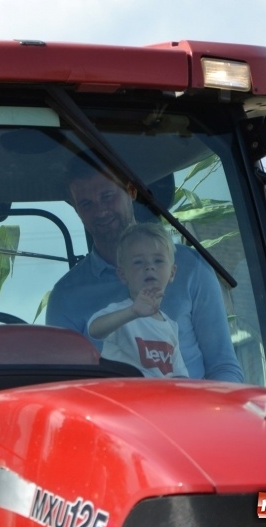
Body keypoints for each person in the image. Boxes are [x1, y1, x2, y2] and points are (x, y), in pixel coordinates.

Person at [46, 154, 243, 382]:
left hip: (186, 411)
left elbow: (223, 365)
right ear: (76, 209)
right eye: (86, 204)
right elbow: (62, 384)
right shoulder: (66, 297)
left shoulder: (191, 268)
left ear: (131, 191)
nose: (100, 211)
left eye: (107, 196)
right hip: (111, 414)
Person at [88, 223, 189, 378]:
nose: (149, 267)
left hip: (159, 399)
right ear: (123, 275)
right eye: (138, 262)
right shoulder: (122, 313)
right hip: (124, 398)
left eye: (158, 261)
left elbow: (180, 376)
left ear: (172, 272)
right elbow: (95, 329)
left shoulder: (170, 326)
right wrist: (132, 312)